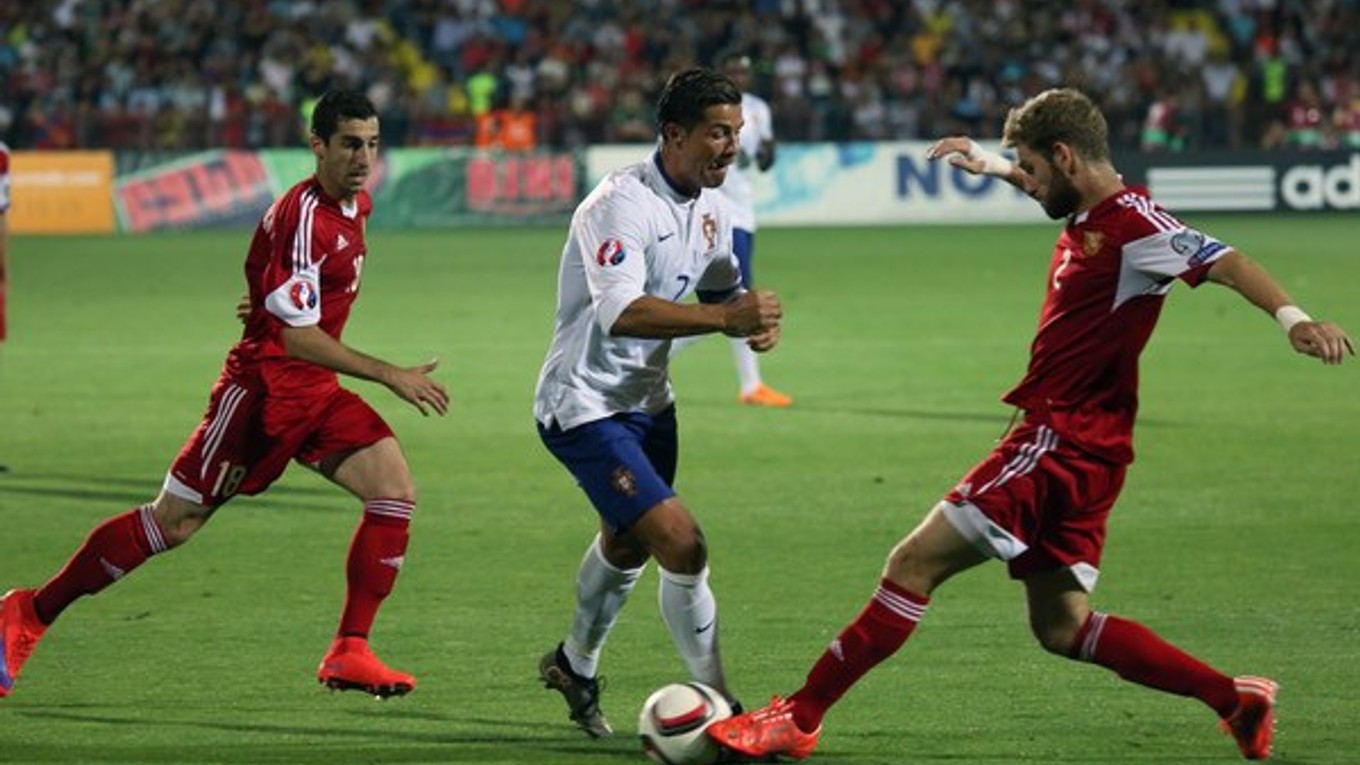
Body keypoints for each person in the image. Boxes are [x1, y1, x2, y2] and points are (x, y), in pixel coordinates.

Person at [707, 88, 1353, 762]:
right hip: (1095, 449)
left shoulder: (1138, 229)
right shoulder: (1099, 211)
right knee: (1062, 624)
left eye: (1033, 167)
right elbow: (1052, 190)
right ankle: (1236, 698)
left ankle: (798, 715)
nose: (1030, 179)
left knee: (912, 564)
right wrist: (990, 165)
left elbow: (1228, 261)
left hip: (1056, 438)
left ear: (1066, 156)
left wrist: (1296, 319)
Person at [0, 90, 450, 700]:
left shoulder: (354, 205)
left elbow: (289, 294)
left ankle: (350, 649)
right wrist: (390, 373)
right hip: (261, 392)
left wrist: (268, 297)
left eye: (371, 143)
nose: (363, 157)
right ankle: (27, 613)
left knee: (393, 490)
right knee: (173, 523)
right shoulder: (305, 217)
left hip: (312, 391)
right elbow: (296, 339)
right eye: (349, 143)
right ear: (316, 145)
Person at [533, 68, 783, 738]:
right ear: (674, 134)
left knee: (626, 544)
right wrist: (725, 321)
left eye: (735, 132)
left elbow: (721, 280)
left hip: (650, 403)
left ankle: (572, 663)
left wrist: (746, 313)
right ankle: (725, 706)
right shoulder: (619, 205)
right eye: (716, 133)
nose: (730, 146)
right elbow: (621, 312)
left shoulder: (710, 204)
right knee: (682, 541)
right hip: (584, 404)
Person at [715, 53, 792, 407]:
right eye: (732, 70)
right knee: (738, 298)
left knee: (728, 299)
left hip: (743, 211)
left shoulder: (759, 110)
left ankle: (650, 356)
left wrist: (767, 151)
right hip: (717, 213)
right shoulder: (709, 106)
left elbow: (763, 162)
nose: (738, 76)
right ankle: (751, 386)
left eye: (743, 71)